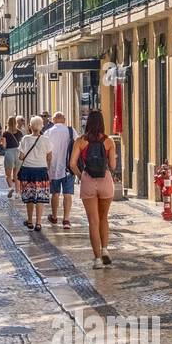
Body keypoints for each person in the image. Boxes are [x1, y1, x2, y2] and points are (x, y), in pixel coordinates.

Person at [70, 109, 117, 268]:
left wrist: (80, 175)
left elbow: (72, 164)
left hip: (88, 180)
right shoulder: (109, 141)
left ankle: (97, 259)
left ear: (87, 122)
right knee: (104, 218)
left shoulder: (80, 141)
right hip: (105, 180)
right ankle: (104, 250)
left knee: (93, 221)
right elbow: (112, 166)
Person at [17, 115, 52, 231]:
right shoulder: (46, 140)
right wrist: (47, 166)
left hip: (28, 170)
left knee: (30, 197)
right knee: (40, 197)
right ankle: (38, 223)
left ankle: (30, 221)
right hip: (41, 170)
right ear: (41, 126)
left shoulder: (25, 139)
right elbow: (49, 156)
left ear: (30, 126)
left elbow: (21, 157)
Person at [44, 111, 78, 228]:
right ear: (63, 119)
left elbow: (45, 151)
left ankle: (54, 216)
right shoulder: (71, 130)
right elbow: (77, 145)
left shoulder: (48, 132)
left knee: (55, 194)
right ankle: (66, 220)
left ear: (53, 120)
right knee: (68, 194)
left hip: (53, 168)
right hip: (68, 168)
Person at [1, 116, 23, 199]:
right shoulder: (20, 132)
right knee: (16, 175)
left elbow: (4, 145)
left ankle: (10, 188)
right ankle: (18, 193)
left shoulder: (5, 133)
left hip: (9, 152)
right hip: (17, 152)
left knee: (8, 175)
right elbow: (22, 144)